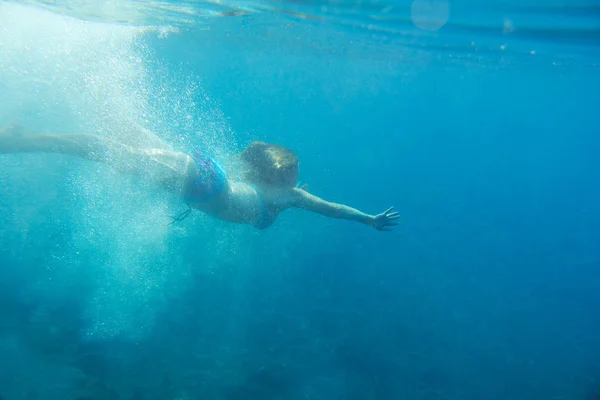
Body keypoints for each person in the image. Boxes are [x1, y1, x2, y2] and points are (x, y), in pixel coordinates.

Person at [0, 123, 399, 231]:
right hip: (205, 183)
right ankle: (25, 140)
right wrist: (368, 219)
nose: (297, 179)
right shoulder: (288, 197)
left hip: (205, 176)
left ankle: (89, 88)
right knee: (113, 153)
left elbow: (318, 207)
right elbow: (332, 210)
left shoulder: (279, 194)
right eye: (292, 174)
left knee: (127, 142)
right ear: (278, 176)